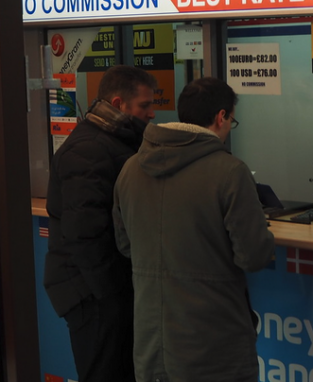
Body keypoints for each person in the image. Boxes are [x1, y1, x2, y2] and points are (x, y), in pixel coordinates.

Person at [112, 77, 274, 382]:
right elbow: (254, 256)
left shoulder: (131, 168)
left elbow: (126, 244)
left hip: (152, 341)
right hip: (215, 345)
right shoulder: (230, 171)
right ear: (221, 117)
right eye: (232, 121)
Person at [44, 64, 157, 382]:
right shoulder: (90, 149)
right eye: (145, 105)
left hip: (102, 292)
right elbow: (85, 234)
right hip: (93, 296)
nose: (151, 113)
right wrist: (113, 294)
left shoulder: (115, 141)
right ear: (119, 104)